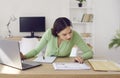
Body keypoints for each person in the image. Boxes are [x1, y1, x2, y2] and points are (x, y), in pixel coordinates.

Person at [21, 17, 93, 63]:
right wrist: (24, 56)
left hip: (65, 65)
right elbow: (36, 50)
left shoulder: (75, 35)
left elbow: (89, 52)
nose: (69, 36)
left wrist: (82, 57)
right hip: (48, 64)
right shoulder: (49, 33)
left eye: (70, 32)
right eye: (64, 34)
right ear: (57, 33)